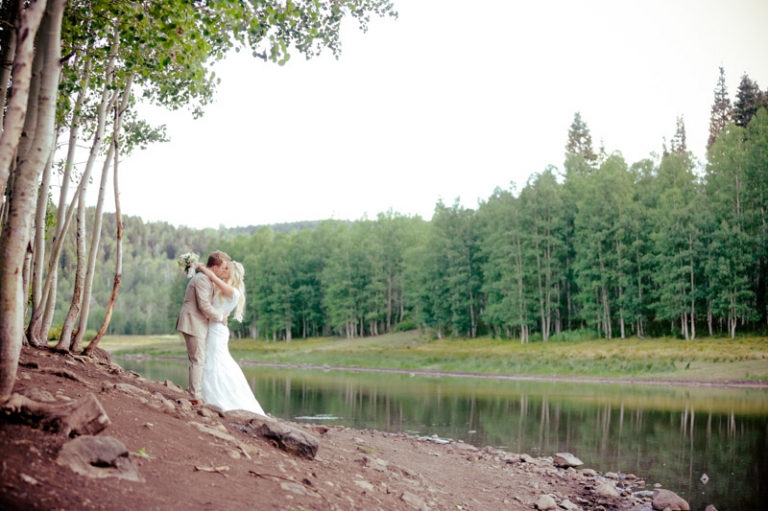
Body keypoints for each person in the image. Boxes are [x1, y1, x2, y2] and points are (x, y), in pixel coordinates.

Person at [193, 260, 266, 416]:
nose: (224, 270)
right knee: (208, 360)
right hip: (213, 327)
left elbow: (213, 277)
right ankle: (203, 395)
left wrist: (200, 266)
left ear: (234, 274)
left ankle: (218, 399)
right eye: (224, 267)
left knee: (215, 362)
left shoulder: (233, 291)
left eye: (227, 268)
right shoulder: (224, 289)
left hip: (217, 331)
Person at [176, 250, 230, 404]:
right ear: (215, 267)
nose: (223, 270)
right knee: (198, 360)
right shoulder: (202, 280)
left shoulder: (208, 279)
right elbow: (204, 305)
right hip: (193, 322)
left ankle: (198, 393)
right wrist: (220, 317)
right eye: (223, 267)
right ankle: (194, 397)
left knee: (200, 359)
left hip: (199, 323)